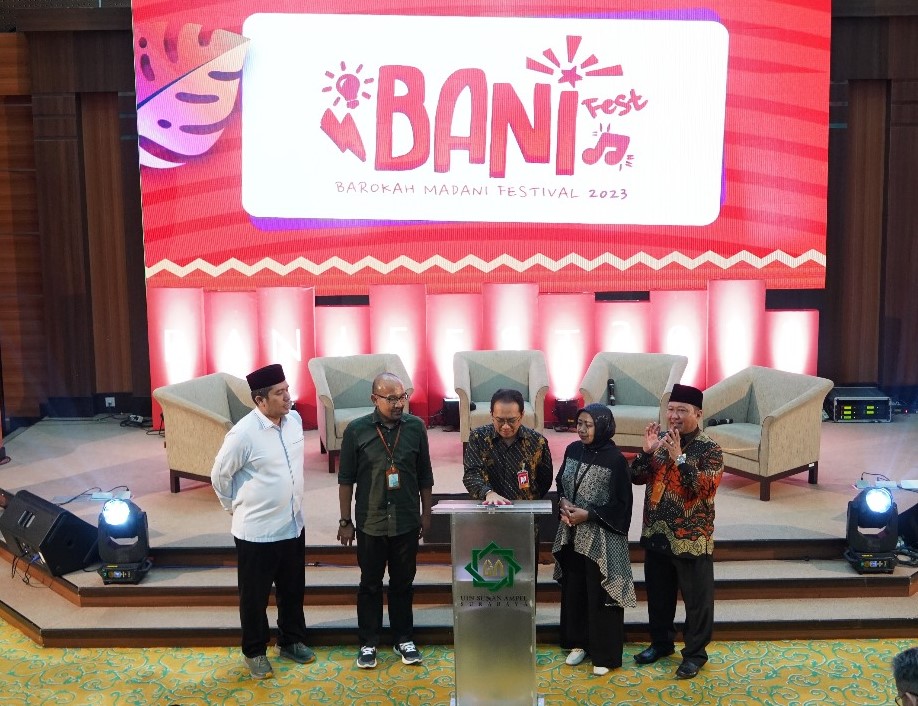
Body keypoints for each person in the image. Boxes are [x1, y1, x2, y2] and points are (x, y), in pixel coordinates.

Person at [211, 363, 314, 680]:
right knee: (254, 598)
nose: (288, 397)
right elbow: (219, 476)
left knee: (292, 590)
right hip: (257, 532)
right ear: (260, 400)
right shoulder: (243, 434)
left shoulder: (294, 421)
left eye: (287, 389)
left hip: (292, 525)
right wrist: (233, 507)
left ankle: (291, 641)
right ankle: (254, 652)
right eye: (279, 393)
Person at [337, 372, 434, 670]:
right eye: (391, 399)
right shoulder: (356, 430)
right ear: (374, 399)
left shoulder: (416, 427)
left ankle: (403, 638)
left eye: (402, 397)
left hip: (406, 519)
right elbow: (346, 480)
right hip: (371, 521)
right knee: (370, 584)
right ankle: (368, 642)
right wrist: (345, 521)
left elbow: (425, 475)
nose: (398, 404)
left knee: (403, 583)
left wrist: (426, 514)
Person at [629, 383, 723, 680]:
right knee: (659, 597)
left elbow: (703, 489)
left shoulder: (710, 449)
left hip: (691, 537)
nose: (674, 416)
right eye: (670, 409)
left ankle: (695, 655)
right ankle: (661, 644)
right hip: (656, 533)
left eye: (682, 410)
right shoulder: (661, 442)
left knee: (697, 603)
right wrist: (646, 453)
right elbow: (636, 477)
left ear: (698, 414)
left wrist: (679, 458)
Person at [552, 404, 635, 676]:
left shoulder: (615, 460)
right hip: (572, 533)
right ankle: (579, 643)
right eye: (579, 423)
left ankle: (605, 655)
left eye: (589, 425)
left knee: (600, 594)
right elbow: (561, 482)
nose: (582, 429)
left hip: (602, 538)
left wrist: (589, 515)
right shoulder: (572, 450)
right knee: (575, 589)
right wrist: (563, 501)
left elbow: (622, 504)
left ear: (603, 426)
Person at [462, 388, 553, 505]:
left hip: (524, 510)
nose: (505, 426)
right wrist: (488, 493)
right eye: (500, 420)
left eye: (512, 420)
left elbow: (545, 480)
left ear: (522, 415)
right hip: (488, 508)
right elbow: (471, 474)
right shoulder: (478, 438)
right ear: (492, 415)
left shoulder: (537, 442)